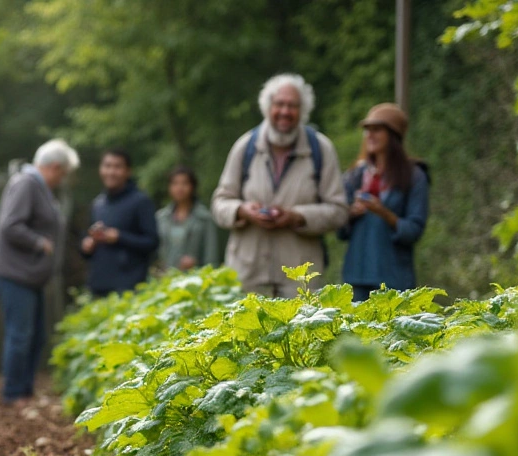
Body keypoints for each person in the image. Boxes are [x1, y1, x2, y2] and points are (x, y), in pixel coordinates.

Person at [211, 74, 348, 297]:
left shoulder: (320, 149)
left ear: (302, 111)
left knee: (299, 332)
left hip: (300, 280)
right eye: (279, 104)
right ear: (268, 107)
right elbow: (219, 203)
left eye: (292, 106)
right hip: (247, 274)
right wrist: (242, 211)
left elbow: (339, 211)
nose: (285, 112)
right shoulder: (245, 146)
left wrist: (297, 216)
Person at [0, 139, 78, 405]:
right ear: (53, 167)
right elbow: (10, 226)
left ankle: (25, 391)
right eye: (62, 174)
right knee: (20, 335)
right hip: (16, 275)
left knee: (36, 336)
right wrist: (40, 242)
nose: (62, 180)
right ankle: (13, 393)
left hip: (31, 277)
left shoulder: (38, 187)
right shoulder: (26, 184)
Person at [338, 103, 430, 301]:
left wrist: (384, 213)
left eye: (377, 130)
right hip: (356, 279)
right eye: (367, 130)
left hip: (394, 281)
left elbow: (414, 230)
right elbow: (339, 230)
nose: (370, 135)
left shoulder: (414, 176)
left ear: (393, 135)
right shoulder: (354, 175)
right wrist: (350, 213)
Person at [79, 149, 159, 295]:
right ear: (100, 169)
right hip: (98, 287)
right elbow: (85, 244)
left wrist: (119, 237)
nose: (111, 171)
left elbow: (152, 242)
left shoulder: (141, 201)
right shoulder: (98, 204)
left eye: (117, 167)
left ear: (128, 171)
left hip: (129, 288)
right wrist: (87, 245)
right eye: (107, 166)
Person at [156, 166, 224, 272]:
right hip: (165, 279)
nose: (180, 188)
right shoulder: (161, 217)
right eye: (175, 183)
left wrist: (196, 263)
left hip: (196, 279)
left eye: (185, 183)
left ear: (193, 186)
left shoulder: (205, 218)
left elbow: (212, 256)